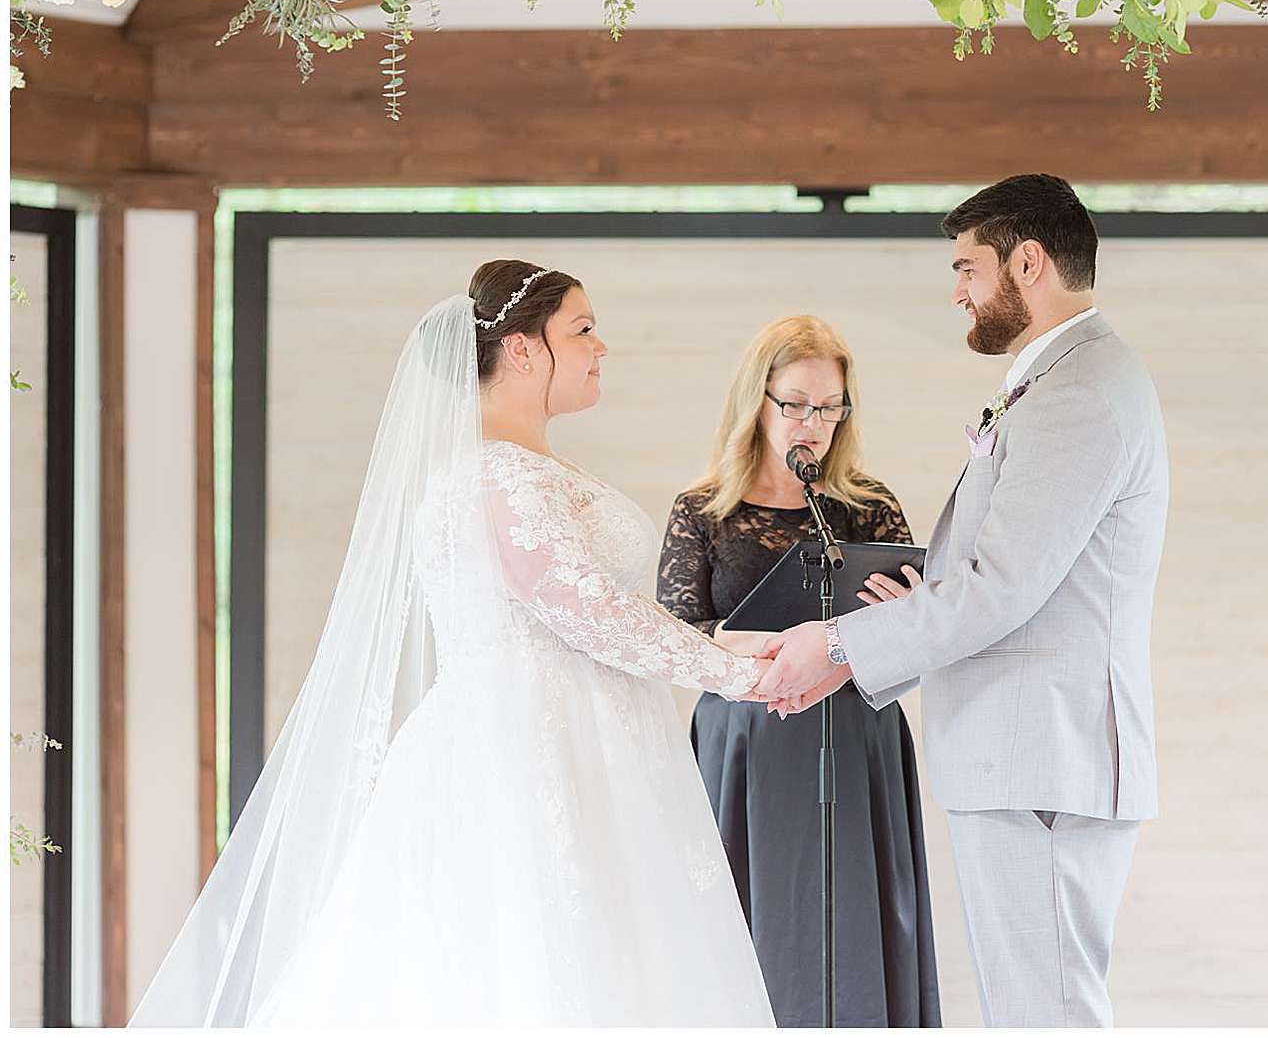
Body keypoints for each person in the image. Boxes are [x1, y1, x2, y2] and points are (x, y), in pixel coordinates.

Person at [130, 260, 777, 1026]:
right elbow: (587, 608)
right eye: (582, 329)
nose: (602, 347)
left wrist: (755, 647)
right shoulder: (495, 477)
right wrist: (740, 674)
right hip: (524, 753)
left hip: (593, 747)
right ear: (523, 350)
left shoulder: (532, 467)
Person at [759, 175, 1170, 1028]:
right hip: (1027, 756)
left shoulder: (1080, 393)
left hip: (1041, 760)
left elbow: (999, 589)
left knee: (1043, 1013)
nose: (956, 291)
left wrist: (837, 644)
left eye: (967, 268)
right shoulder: (1064, 380)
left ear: (1027, 263)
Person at [657, 315, 942, 1027]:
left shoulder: (866, 506)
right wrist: (769, 655)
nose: (811, 423)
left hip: (854, 737)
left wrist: (904, 617)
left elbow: (921, 630)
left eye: (828, 406)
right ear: (757, 400)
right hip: (745, 744)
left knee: (853, 915)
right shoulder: (702, 510)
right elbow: (675, 634)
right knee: (750, 924)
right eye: (795, 403)